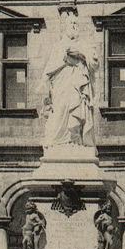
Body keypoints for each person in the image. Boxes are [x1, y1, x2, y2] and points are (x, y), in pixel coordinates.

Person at [41, 11, 98, 150]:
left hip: (77, 83)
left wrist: (82, 55)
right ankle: (59, 142)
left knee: (77, 111)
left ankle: (76, 141)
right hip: (61, 85)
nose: (74, 26)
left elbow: (95, 63)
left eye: (75, 23)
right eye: (71, 23)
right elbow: (49, 68)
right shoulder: (58, 46)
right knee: (60, 111)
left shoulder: (84, 44)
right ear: (65, 27)